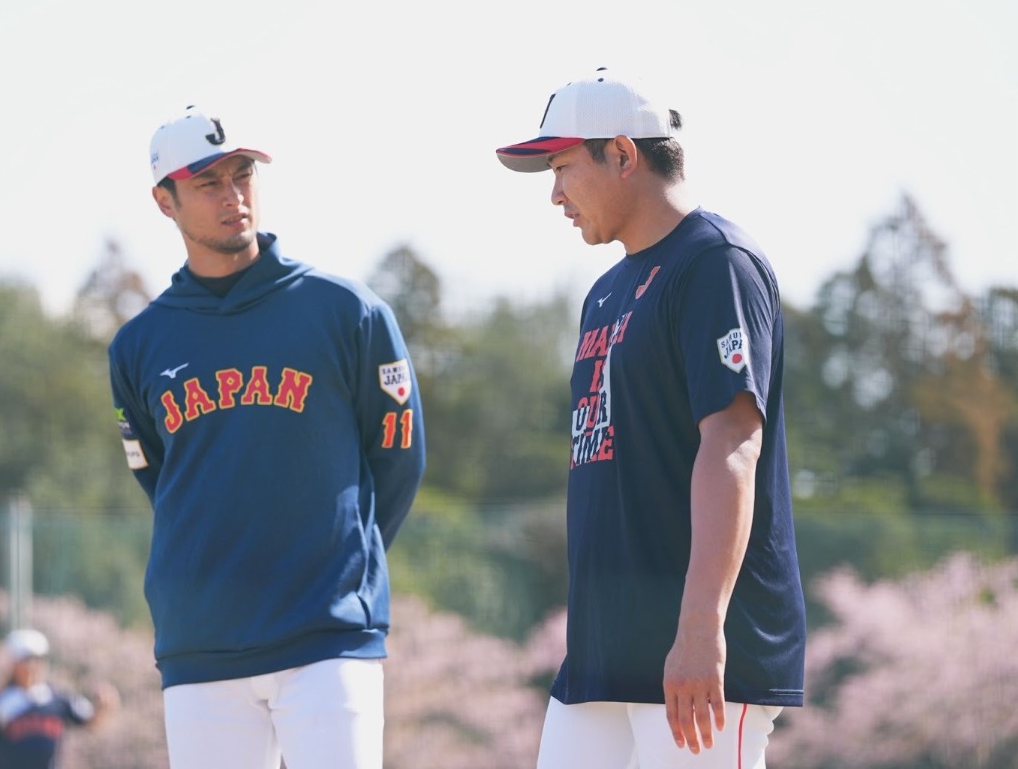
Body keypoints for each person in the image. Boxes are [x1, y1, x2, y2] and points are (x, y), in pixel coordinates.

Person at [495, 68, 806, 767]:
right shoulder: (607, 290)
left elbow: (732, 442)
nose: (554, 193)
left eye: (563, 166)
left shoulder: (714, 263)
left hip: (696, 655)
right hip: (604, 653)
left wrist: (700, 627)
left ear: (624, 154)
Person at [108, 105, 426, 769]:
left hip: (328, 634)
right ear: (164, 201)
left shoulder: (348, 312)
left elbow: (397, 458)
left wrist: (342, 565)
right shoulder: (138, 345)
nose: (234, 197)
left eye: (243, 174)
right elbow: (160, 478)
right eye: (208, 183)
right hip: (201, 645)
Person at [0, 628, 118, 769]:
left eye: (38, 659)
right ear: (14, 663)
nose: (33, 666)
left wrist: (104, 708)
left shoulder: (58, 698)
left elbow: (92, 723)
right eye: (27, 660)